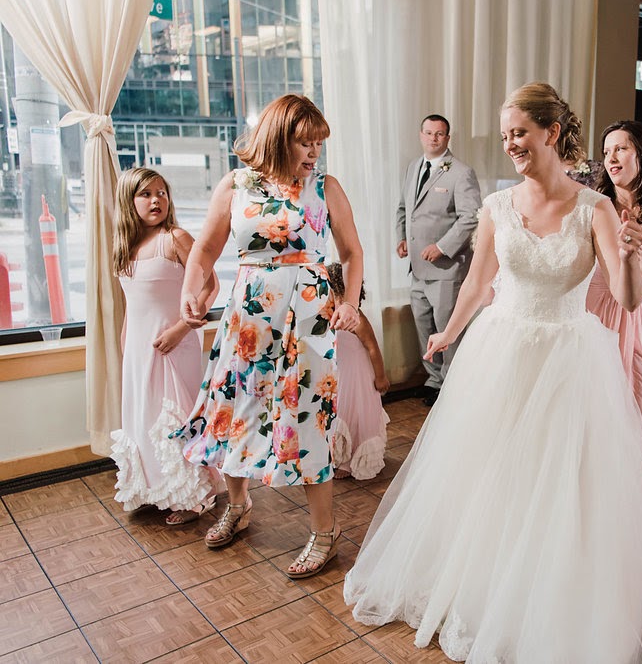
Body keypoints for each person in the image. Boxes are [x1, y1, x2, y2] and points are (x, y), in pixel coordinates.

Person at [345, 83, 642, 663]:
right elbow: (478, 283)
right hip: (502, 347)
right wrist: (448, 333)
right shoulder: (498, 207)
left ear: (551, 132)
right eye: (505, 136)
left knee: (555, 480)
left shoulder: (594, 207)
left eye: (520, 133)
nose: (511, 145)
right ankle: (484, 583)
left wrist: (628, 255)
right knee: (489, 471)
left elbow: (627, 301)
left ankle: (546, 594)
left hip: (571, 355)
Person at [172, 94, 364, 579]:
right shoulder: (236, 186)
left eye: (319, 143)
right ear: (278, 139)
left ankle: (325, 531)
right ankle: (237, 506)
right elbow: (204, 251)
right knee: (238, 406)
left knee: (307, 416)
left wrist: (350, 303)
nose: (314, 153)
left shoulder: (326, 187)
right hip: (249, 317)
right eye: (306, 142)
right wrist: (190, 294)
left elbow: (352, 252)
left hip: (309, 317)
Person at [585, 120, 642, 551]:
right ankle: (596, 512)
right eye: (607, 151)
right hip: (593, 314)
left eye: (622, 148)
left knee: (640, 416)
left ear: (641, 154)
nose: (613, 158)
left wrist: (628, 255)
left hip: (639, 320)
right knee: (594, 415)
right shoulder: (591, 207)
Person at [109, 168, 222, 525]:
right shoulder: (125, 248)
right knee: (143, 416)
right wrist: (126, 345)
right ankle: (155, 489)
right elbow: (133, 305)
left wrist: (180, 329)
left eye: (161, 192)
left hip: (176, 343)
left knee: (175, 415)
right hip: (140, 350)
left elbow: (210, 287)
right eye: (145, 194)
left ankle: (193, 496)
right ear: (129, 201)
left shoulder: (175, 238)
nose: (156, 200)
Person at [396, 114, 481, 406]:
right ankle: (434, 381)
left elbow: (471, 217)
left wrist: (443, 247)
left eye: (440, 134)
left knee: (447, 330)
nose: (434, 138)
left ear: (447, 138)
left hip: (447, 268)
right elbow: (404, 208)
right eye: (429, 133)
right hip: (417, 270)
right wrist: (401, 238)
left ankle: (450, 386)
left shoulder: (461, 172)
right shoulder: (412, 168)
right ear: (421, 135)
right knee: (423, 327)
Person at [326, 263, 390, 480]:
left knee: (357, 414)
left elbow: (373, 348)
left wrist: (380, 377)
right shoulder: (327, 318)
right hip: (341, 377)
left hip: (360, 377)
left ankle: (352, 461)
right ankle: (340, 457)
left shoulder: (357, 319)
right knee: (341, 413)